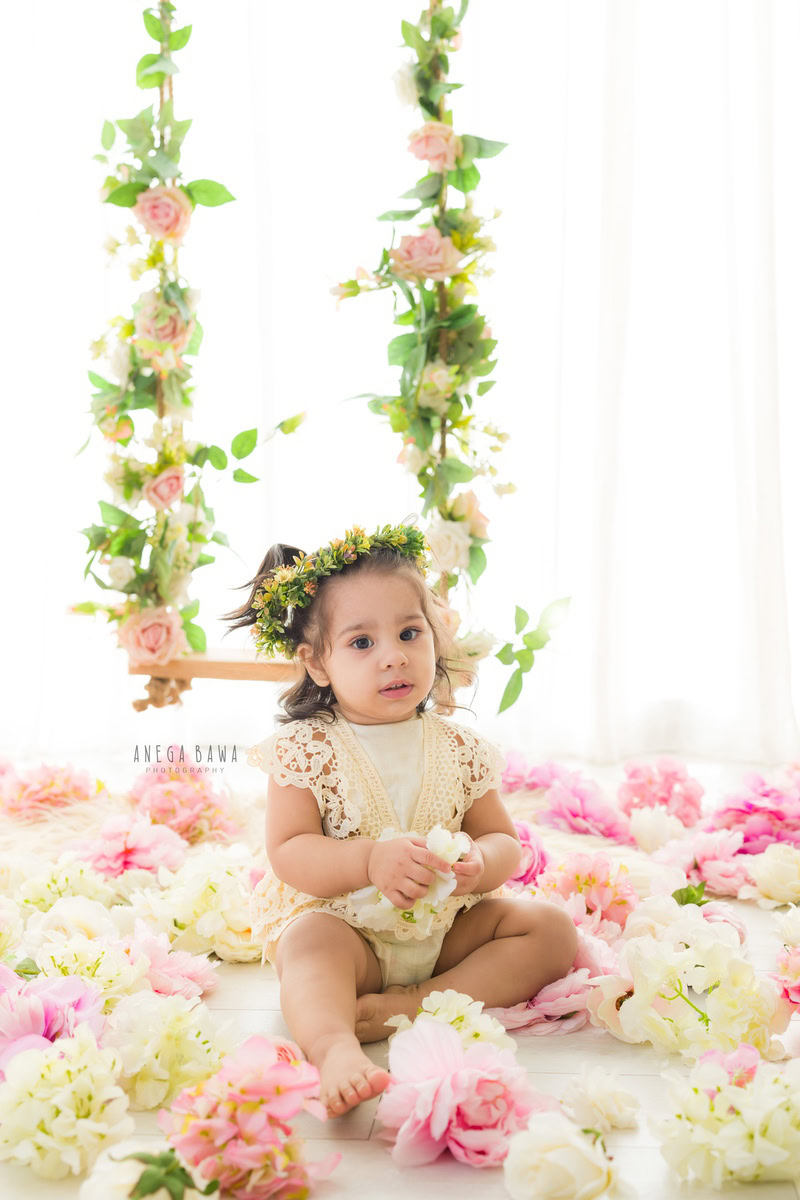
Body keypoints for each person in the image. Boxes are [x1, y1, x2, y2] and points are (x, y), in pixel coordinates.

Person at [223, 522, 577, 1118]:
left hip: (445, 931)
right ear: (317, 664)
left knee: (550, 930)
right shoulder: (306, 750)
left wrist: (480, 862)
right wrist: (367, 859)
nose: (394, 656)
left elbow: (502, 840)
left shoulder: (461, 750)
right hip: (347, 930)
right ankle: (335, 1047)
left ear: (434, 638)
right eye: (362, 643)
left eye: (410, 633)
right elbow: (289, 851)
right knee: (309, 948)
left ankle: (417, 1002)